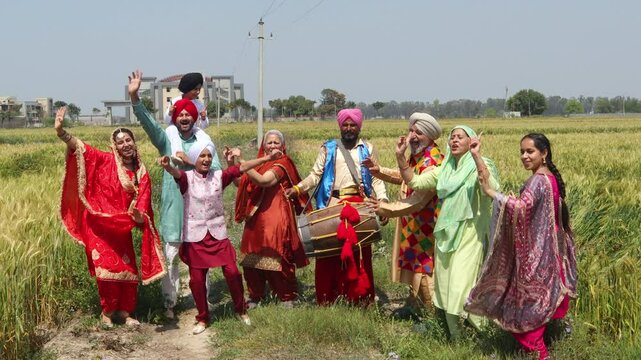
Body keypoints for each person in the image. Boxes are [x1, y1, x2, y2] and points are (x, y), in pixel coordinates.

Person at [465, 133, 577, 359]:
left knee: (528, 310)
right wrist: (477, 156)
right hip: (550, 251)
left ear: (544, 153)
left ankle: (540, 355)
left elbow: (521, 208)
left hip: (539, 253)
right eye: (522, 152)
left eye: (530, 151)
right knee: (538, 306)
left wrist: (492, 194)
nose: (524, 156)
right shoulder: (550, 178)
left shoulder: (537, 181)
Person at [57, 106, 166, 328]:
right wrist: (61, 132)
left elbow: (143, 200)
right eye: (120, 141)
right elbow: (82, 149)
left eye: (129, 140)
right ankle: (106, 312)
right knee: (105, 269)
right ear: (114, 146)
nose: (125, 144)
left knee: (127, 270)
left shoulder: (141, 173)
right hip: (99, 223)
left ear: (134, 143)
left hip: (122, 227)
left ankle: (125, 312)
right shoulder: (105, 161)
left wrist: (138, 215)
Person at [159, 139, 280, 334]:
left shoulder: (219, 176)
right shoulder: (186, 178)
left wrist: (268, 157)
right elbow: (175, 172)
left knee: (232, 273)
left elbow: (242, 167)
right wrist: (167, 165)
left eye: (209, 156)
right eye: (202, 156)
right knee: (197, 280)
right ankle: (203, 318)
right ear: (194, 159)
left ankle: (241, 310)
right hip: (194, 236)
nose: (206, 160)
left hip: (218, 234)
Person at [128, 70, 222, 319]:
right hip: (173, 208)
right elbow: (150, 126)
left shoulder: (204, 142)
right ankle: (169, 304)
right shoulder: (167, 139)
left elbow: (217, 172)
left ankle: (201, 302)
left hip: (199, 211)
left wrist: (190, 164)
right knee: (171, 257)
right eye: (179, 114)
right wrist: (135, 98)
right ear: (175, 118)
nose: (183, 117)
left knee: (201, 259)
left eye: (188, 115)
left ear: (193, 119)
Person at [395, 125, 499, 339]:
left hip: (470, 234)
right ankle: (457, 339)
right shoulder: (445, 169)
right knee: (445, 288)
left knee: (461, 286)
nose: (454, 140)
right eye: (452, 137)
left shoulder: (482, 164)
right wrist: (400, 156)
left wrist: (477, 156)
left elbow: (492, 188)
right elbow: (414, 181)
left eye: (460, 137)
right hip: (445, 235)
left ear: (471, 141)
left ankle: (485, 334)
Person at [285, 108, 388, 306]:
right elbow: (315, 175)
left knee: (360, 255)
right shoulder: (329, 148)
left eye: (353, 125)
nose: (349, 128)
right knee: (328, 256)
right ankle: (327, 299)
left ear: (359, 127)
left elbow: (376, 178)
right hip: (332, 206)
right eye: (345, 125)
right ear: (340, 126)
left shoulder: (367, 148)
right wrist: (298, 189)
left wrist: (382, 202)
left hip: (360, 207)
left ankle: (360, 298)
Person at [365, 113, 444, 313]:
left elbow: (418, 199)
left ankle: (432, 317)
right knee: (414, 266)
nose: (413, 136)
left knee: (424, 269)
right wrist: (379, 171)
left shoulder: (433, 161)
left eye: (419, 132)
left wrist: (384, 208)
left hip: (426, 226)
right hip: (413, 224)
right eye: (411, 130)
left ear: (431, 136)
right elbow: (405, 177)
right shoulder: (419, 155)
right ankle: (414, 306)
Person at [234, 130, 309, 309]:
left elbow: (263, 181)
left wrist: (243, 161)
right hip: (256, 216)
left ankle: (286, 295)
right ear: (264, 145)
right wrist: (232, 162)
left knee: (277, 251)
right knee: (250, 253)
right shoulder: (260, 162)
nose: (273, 146)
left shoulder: (283, 163)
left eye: (276, 143)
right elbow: (241, 182)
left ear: (282, 146)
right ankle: (256, 294)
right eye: (269, 143)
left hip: (276, 214)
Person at [162, 72, 211, 166]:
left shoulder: (199, 104)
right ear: (187, 88)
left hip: (192, 129)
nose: (197, 92)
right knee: (171, 130)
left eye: (199, 89)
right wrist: (170, 113)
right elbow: (167, 121)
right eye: (195, 89)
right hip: (176, 129)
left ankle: (208, 160)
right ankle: (178, 156)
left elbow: (204, 126)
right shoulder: (175, 101)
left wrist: (204, 118)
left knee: (205, 137)